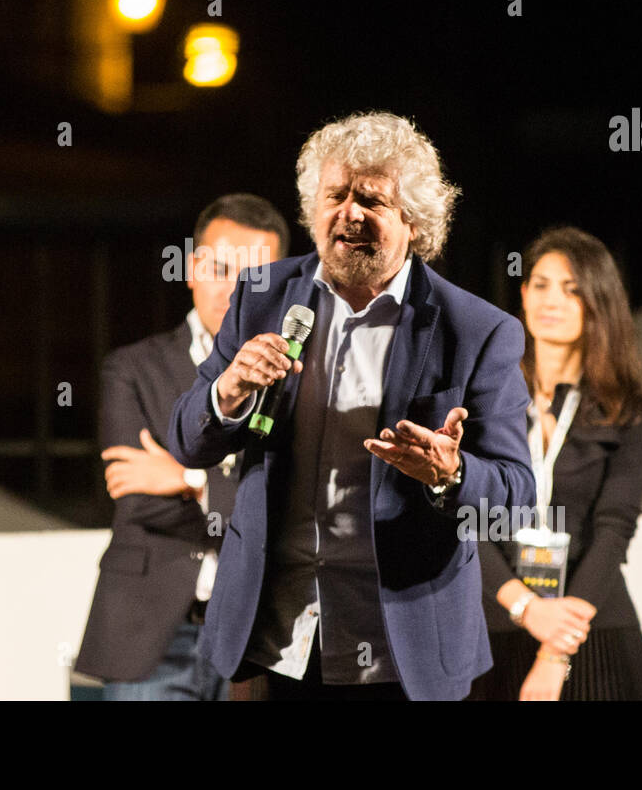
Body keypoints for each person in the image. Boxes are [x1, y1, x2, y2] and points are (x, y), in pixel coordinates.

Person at [167, 112, 535, 700]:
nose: (350, 214)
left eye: (373, 200)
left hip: (402, 651)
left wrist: (451, 474)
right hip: (273, 642)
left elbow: (516, 495)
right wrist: (229, 389)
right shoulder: (260, 296)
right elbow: (187, 440)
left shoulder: (476, 330)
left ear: (415, 221)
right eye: (335, 195)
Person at [75, 194, 289, 699]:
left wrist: (187, 479)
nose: (233, 290)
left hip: (257, 633)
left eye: (253, 276)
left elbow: (286, 505)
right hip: (151, 633)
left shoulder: (294, 375)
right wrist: (224, 491)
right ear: (192, 268)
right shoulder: (132, 368)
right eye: (219, 267)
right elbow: (135, 494)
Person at [467, 226, 642, 701]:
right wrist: (527, 607)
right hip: (492, 624)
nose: (551, 300)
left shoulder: (625, 410)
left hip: (590, 630)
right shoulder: (480, 397)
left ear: (598, 303)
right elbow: (462, 519)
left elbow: (615, 529)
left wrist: (555, 652)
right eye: (542, 284)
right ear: (524, 293)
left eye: (571, 289)